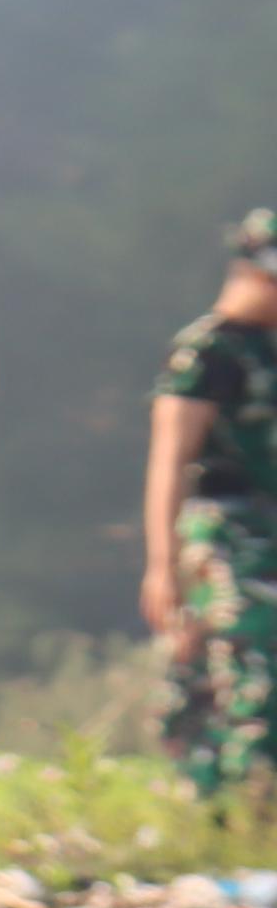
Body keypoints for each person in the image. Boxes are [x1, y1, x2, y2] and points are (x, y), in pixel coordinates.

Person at [146, 207, 277, 803]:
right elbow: (170, 461)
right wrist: (162, 564)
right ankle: (237, 800)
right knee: (245, 662)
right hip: (226, 531)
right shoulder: (209, 352)